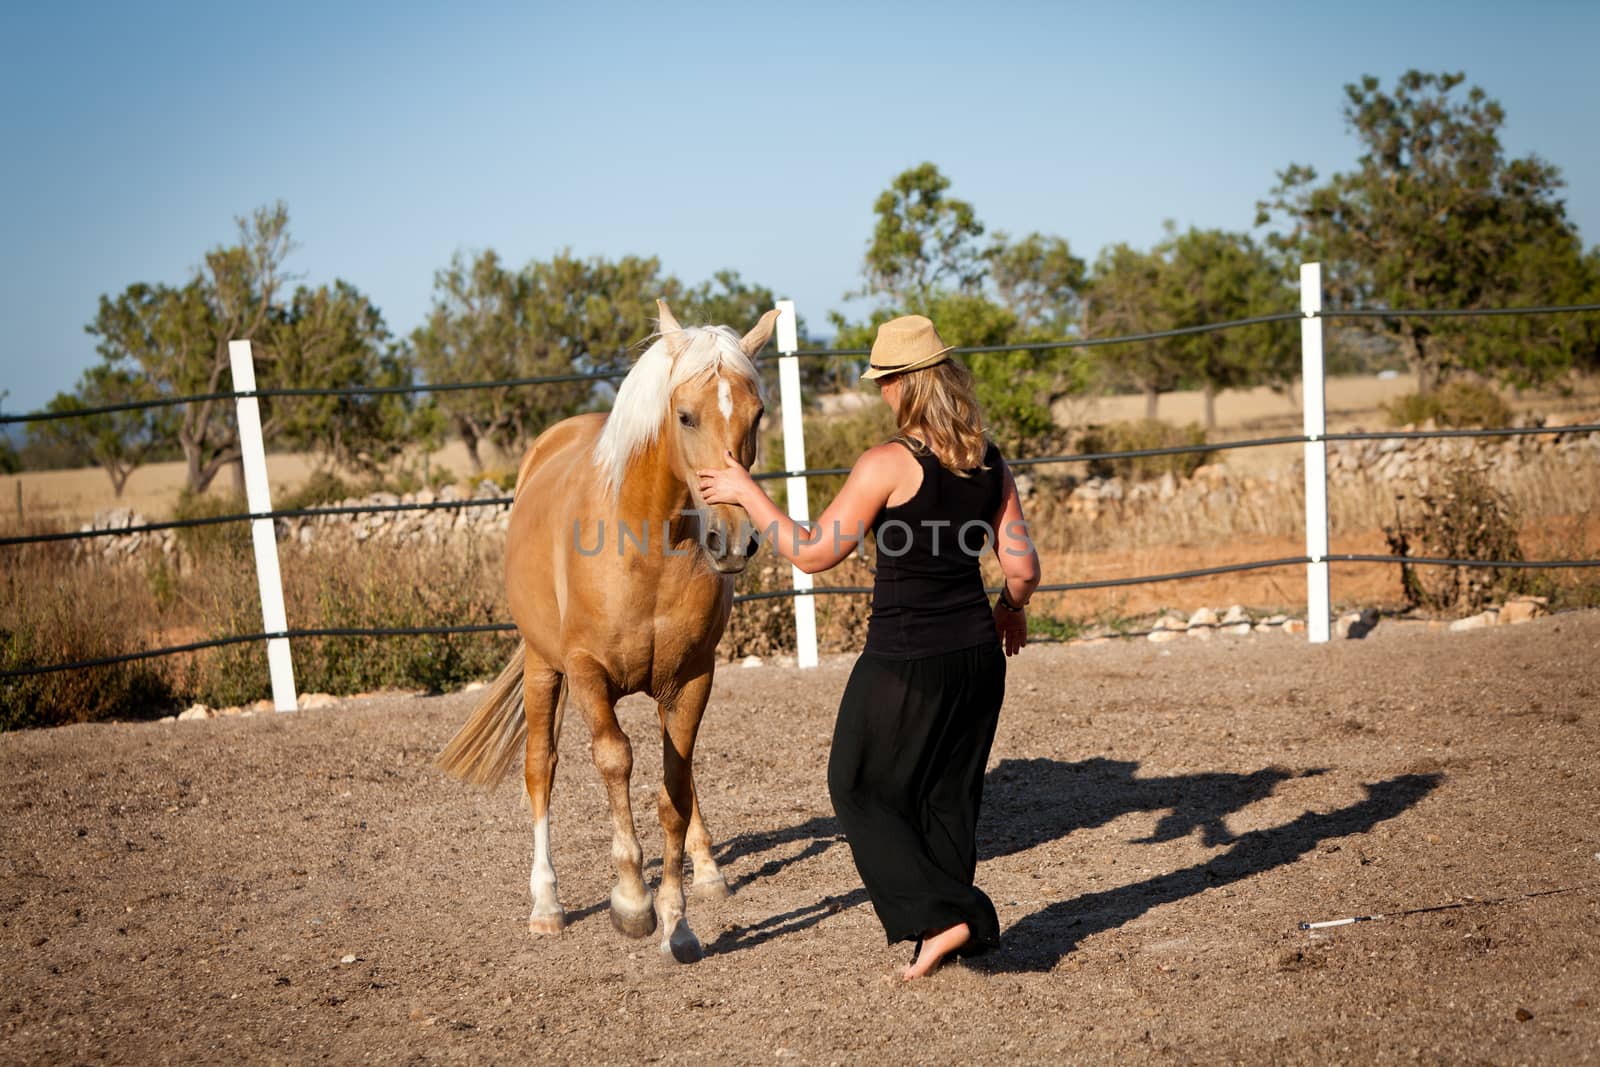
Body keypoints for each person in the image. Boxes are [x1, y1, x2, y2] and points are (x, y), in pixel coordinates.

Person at [697, 314, 1041, 980]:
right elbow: (1023, 571)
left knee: (853, 783)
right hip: (977, 656)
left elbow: (814, 552)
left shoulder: (888, 463)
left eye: (885, 381)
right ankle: (947, 933)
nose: (882, 393)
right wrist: (1009, 610)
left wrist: (747, 492)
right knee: (946, 796)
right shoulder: (990, 460)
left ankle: (953, 914)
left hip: (906, 661)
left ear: (905, 386)